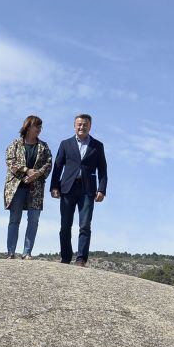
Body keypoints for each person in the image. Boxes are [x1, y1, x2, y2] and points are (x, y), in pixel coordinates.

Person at [50, 113, 108, 266]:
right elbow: (57, 167)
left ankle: (81, 259)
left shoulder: (97, 145)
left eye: (85, 124)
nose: (82, 127)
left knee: (85, 225)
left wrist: (102, 190)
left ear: (90, 126)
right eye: (79, 124)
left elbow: (103, 170)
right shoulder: (65, 144)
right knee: (65, 225)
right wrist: (54, 186)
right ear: (74, 125)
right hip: (67, 188)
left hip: (87, 190)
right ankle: (65, 257)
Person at [4, 115, 53, 259]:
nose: (39, 129)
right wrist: (26, 170)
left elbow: (48, 164)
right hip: (16, 187)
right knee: (14, 219)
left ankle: (27, 252)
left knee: (34, 220)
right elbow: (9, 161)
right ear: (28, 126)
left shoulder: (43, 147)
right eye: (36, 126)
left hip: (36, 187)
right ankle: (10, 252)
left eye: (40, 127)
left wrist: (36, 174)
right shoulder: (16, 144)